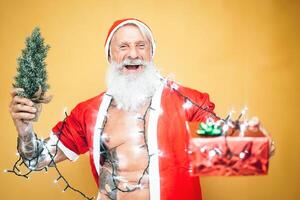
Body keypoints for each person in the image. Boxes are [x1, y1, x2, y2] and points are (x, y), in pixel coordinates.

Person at [10, 18, 218, 200]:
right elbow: (36, 160)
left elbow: (229, 151)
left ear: (151, 52)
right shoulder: (88, 113)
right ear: (110, 55)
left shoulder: (186, 102)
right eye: (123, 46)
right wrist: (25, 129)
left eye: (141, 45)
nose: (133, 54)